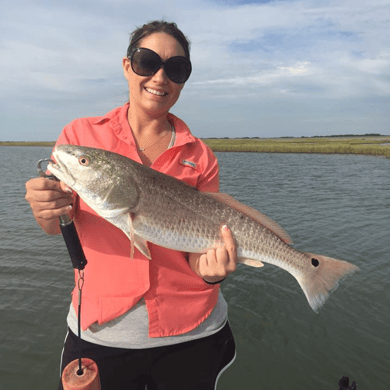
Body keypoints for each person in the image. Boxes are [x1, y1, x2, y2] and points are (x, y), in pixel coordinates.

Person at [25, 20, 237, 390]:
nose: (159, 76)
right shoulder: (80, 138)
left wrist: (212, 271)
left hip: (193, 331)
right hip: (102, 332)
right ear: (127, 66)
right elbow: (59, 221)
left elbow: (197, 254)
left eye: (176, 68)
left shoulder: (200, 155)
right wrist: (44, 208)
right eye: (146, 61)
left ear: (184, 80)